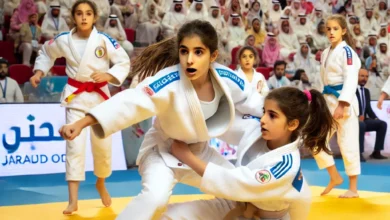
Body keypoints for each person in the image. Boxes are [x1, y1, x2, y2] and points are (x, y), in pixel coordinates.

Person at [59, 20, 264, 220]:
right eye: (184, 51)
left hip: (198, 152)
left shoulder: (226, 77)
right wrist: (81, 123)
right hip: (162, 152)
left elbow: (254, 102)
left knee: (242, 191)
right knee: (154, 199)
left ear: (213, 55)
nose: (189, 60)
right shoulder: (168, 80)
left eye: (198, 52)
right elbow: (130, 102)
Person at [163, 87, 336, 220]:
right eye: (264, 112)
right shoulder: (257, 129)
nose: (263, 119)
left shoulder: (286, 166)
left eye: (272, 116)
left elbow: (237, 182)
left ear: (292, 125)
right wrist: (191, 113)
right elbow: (225, 126)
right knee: (168, 215)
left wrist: (186, 156)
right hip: (239, 200)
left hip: (265, 214)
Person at [29, 0, 130, 214]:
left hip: (101, 99)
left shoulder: (104, 39)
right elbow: (47, 53)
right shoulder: (64, 40)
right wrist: (39, 72)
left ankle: (100, 182)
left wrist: (109, 75)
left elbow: (124, 61)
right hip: (75, 98)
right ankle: (73, 200)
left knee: (102, 148)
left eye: (88, 14)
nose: (84, 17)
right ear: (73, 18)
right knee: (74, 148)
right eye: (79, 14)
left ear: (94, 17)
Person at [315, 14, 361, 198]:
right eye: (329, 29)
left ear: (343, 31)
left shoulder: (347, 52)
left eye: (335, 29)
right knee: (315, 140)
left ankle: (353, 189)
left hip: (345, 104)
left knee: (347, 143)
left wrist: (342, 104)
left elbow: (351, 79)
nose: (331, 32)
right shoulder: (326, 52)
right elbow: (323, 80)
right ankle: (334, 176)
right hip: (328, 102)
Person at [356, 69, 387, 161]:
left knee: (382, 124)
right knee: (361, 125)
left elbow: (368, 109)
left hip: (364, 120)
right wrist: (357, 117)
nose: (364, 79)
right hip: (352, 120)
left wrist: (375, 118)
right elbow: (347, 107)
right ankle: (359, 153)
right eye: (362, 76)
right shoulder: (350, 90)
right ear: (356, 76)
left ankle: (376, 152)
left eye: (366, 76)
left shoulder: (366, 92)